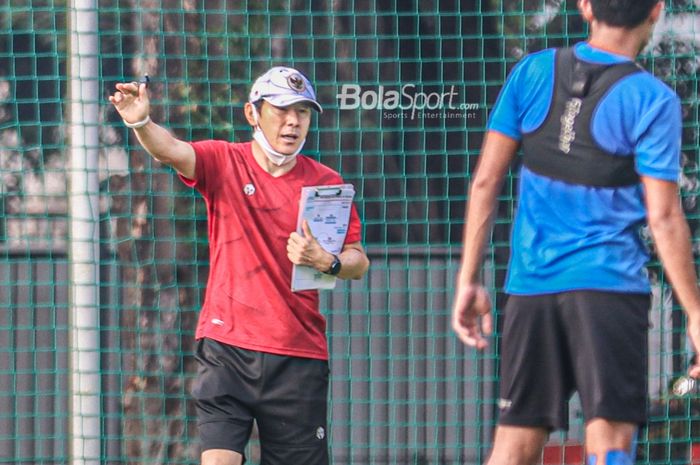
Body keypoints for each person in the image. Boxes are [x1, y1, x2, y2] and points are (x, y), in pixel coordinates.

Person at [451, 1, 700, 464]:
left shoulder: (532, 72)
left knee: (512, 446)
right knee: (610, 444)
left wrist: (468, 279)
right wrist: (695, 311)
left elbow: (485, 181)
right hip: (608, 289)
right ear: (657, 11)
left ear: (585, 6)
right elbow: (664, 217)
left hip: (531, 290)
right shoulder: (652, 99)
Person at [109, 66, 370, 465]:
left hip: (298, 358)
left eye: (302, 111)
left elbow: (358, 260)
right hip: (226, 348)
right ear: (253, 113)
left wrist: (327, 261)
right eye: (282, 109)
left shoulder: (326, 184)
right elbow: (172, 150)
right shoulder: (224, 161)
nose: (293, 121)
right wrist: (141, 121)